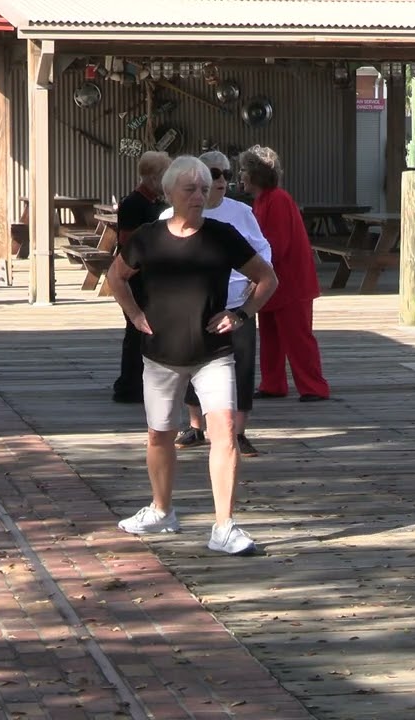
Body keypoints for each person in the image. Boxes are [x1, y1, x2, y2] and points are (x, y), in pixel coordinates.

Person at [107, 155, 279, 555]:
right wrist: (134, 314)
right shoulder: (148, 237)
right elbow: (116, 276)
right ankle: (161, 511)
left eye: (205, 188)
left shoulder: (222, 235)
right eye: (191, 189)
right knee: (159, 434)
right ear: (170, 194)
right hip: (160, 355)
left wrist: (241, 314)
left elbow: (267, 277)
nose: (200, 196)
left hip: (213, 354)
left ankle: (224, 527)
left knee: (224, 434)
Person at [159, 151, 272, 457]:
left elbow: (263, 248)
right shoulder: (167, 218)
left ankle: (239, 431)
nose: (222, 180)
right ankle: (195, 425)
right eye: (215, 174)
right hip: (192, 306)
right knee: (190, 365)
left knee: (243, 366)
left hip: (238, 302)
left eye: (226, 174)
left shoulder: (241, 213)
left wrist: (255, 284)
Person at [237, 146, 330, 402]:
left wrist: (251, 270)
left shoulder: (277, 199)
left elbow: (276, 244)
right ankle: (273, 383)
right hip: (272, 281)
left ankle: (314, 386)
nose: (240, 175)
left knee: (297, 336)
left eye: (244, 170)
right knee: (270, 335)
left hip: (290, 281)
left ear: (256, 174)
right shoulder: (262, 200)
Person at [112, 151, 172, 404]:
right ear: (150, 177)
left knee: (148, 330)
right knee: (136, 329)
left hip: (152, 276)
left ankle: (144, 382)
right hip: (135, 275)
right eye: (163, 177)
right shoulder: (133, 203)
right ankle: (129, 386)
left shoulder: (154, 202)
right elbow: (128, 243)